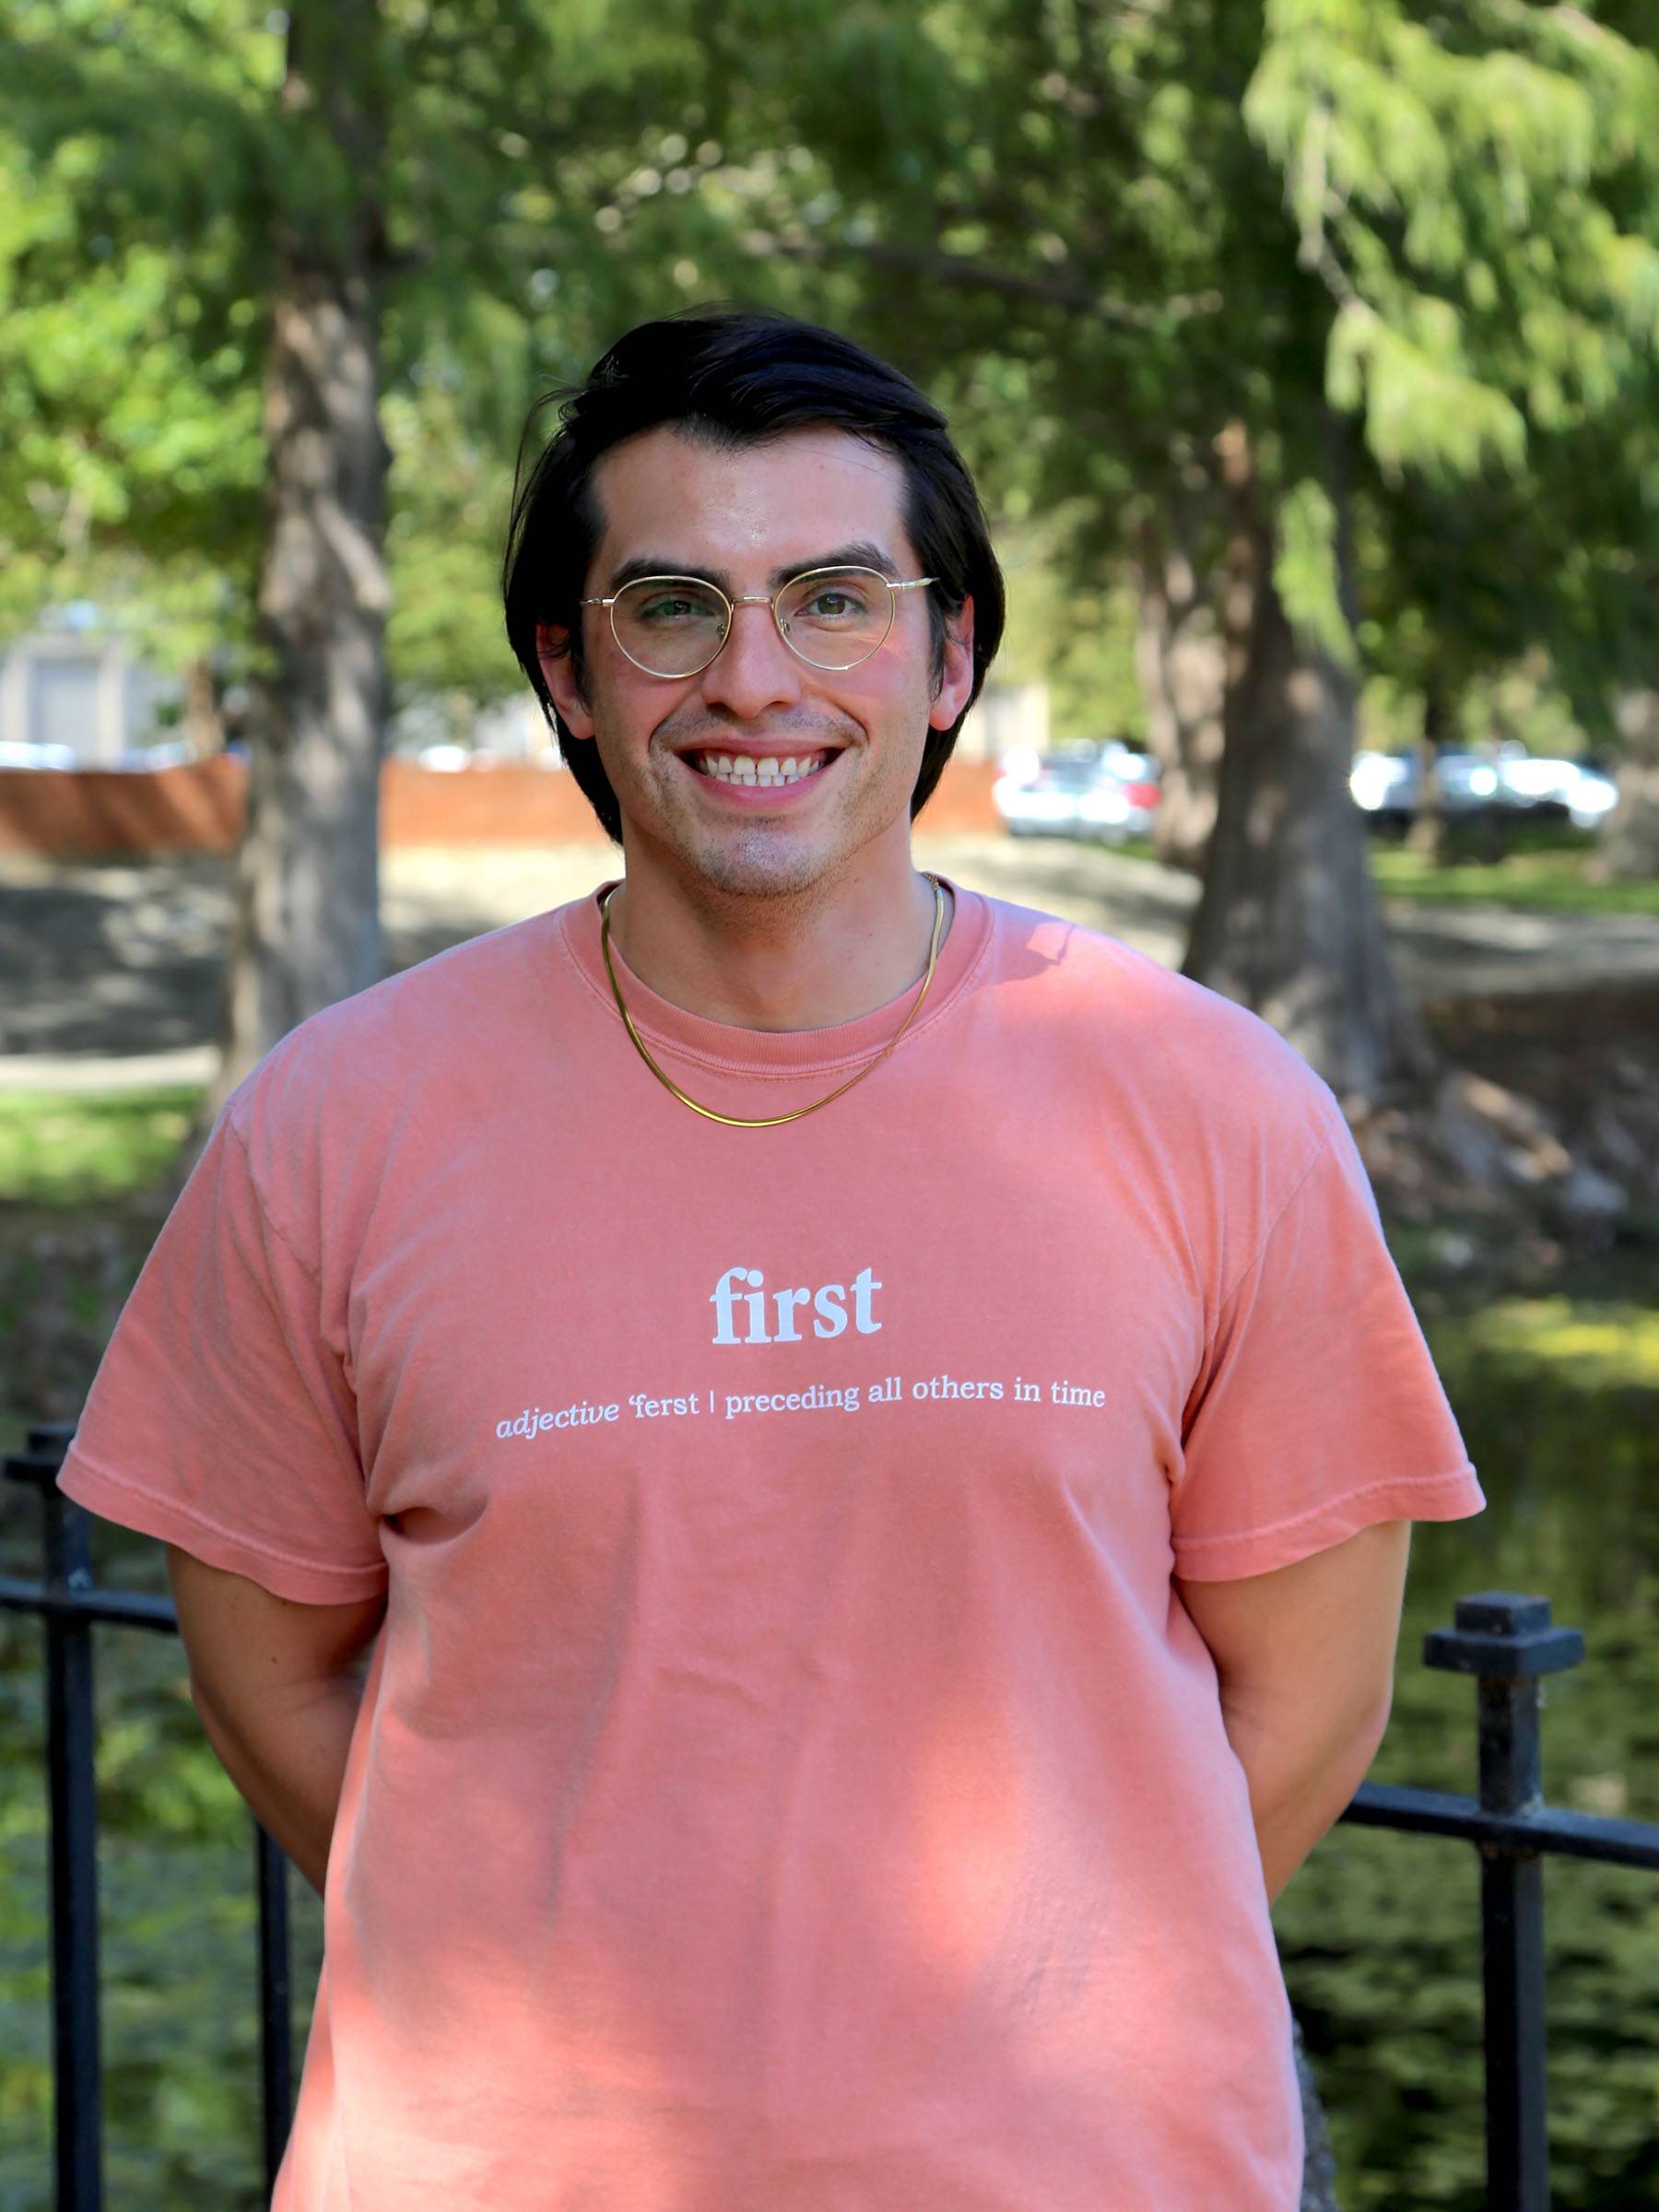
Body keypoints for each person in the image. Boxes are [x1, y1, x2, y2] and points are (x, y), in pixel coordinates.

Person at [60, 308, 1484, 2210]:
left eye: (833, 599)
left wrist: (1042, 2017)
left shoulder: (1205, 1102)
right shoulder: (340, 1124)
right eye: (670, 607)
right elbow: (267, 1685)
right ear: (569, 672)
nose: (754, 679)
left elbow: (1306, 1710)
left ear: (948, 650)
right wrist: (571, 1979)